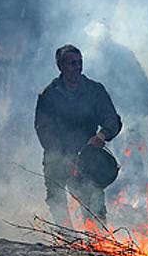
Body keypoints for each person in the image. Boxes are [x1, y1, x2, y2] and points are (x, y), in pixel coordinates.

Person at [34, 44, 122, 226]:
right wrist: (63, 156)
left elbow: (112, 119)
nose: (77, 67)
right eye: (72, 63)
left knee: (93, 201)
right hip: (57, 156)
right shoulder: (49, 95)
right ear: (61, 66)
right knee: (57, 199)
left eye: (79, 62)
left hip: (88, 155)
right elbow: (44, 129)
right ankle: (68, 241)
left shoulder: (94, 90)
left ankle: (98, 244)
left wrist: (102, 135)